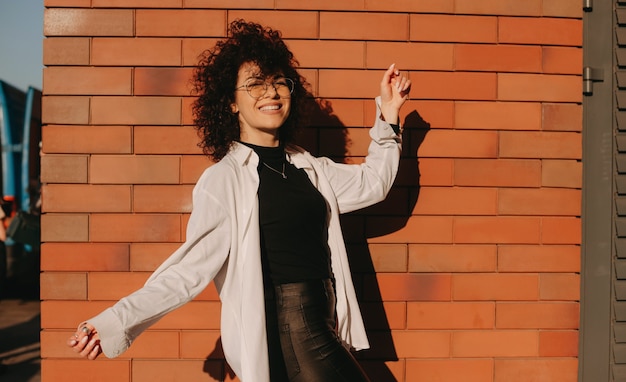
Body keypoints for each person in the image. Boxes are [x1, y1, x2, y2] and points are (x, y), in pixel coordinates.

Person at [67, 19, 411, 382]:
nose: (271, 92)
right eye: (255, 84)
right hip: (291, 328)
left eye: (279, 81)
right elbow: (187, 271)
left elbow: (374, 183)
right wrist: (112, 323)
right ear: (230, 102)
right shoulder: (225, 179)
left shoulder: (309, 168)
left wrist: (388, 114)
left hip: (323, 320)